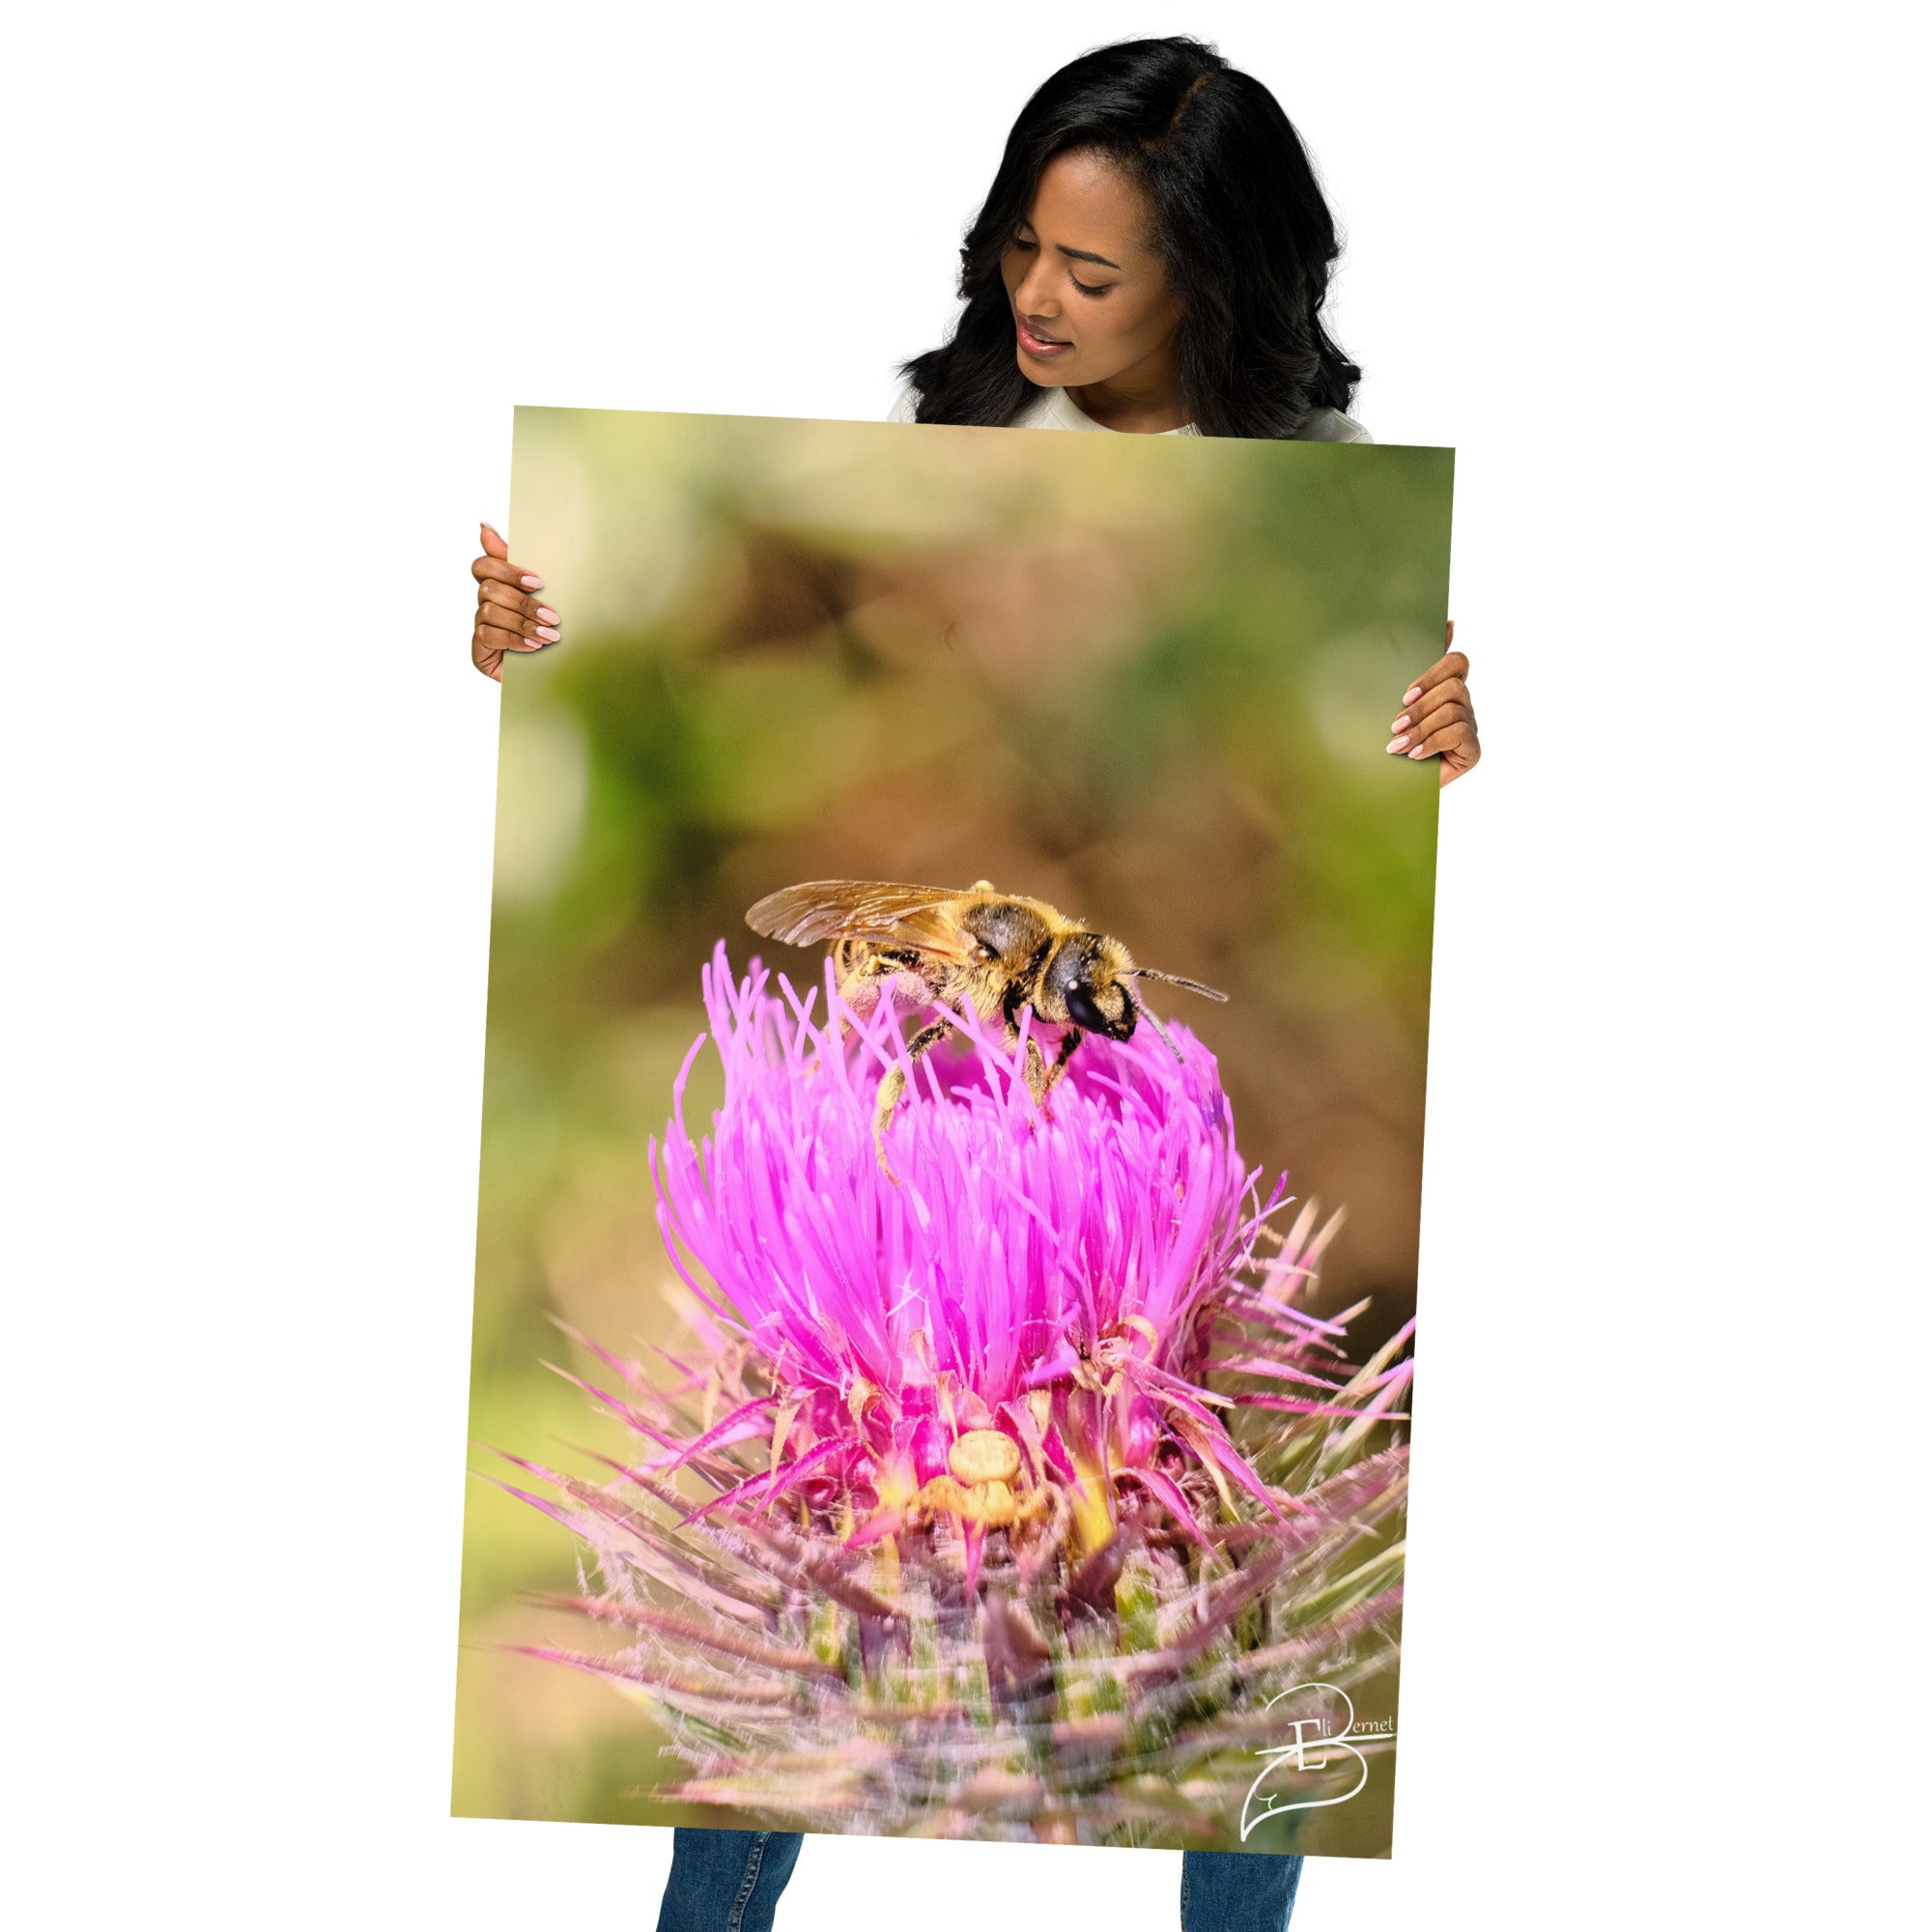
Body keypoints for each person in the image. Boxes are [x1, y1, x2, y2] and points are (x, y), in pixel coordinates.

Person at [469, 36, 1478, 1932]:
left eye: (1091, 274)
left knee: (1226, 1779)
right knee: (748, 1810)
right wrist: (498, 630)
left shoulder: (1351, 471)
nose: (1037, 297)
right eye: (1022, 246)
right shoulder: (926, 429)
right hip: (855, 1492)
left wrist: (1472, 734)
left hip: (1118, 1500)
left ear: (1219, 280)